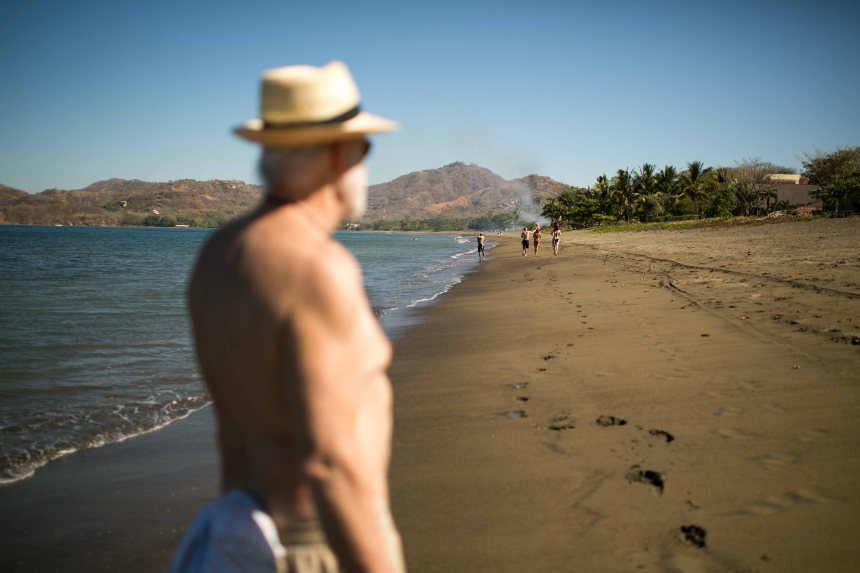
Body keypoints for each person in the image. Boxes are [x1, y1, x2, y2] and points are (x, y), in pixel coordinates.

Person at [172, 62, 405, 573]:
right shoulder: (318, 269)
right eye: (366, 148)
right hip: (308, 545)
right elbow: (331, 465)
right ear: (340, 153)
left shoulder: (218, 254)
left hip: (230, 535)